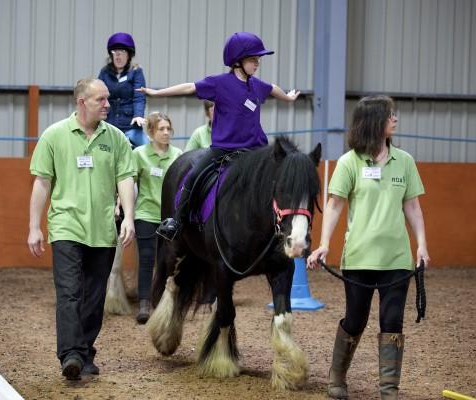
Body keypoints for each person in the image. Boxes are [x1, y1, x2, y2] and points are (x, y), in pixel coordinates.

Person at [306, 95, 430, 400]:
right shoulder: (349, 162)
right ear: (375, 122)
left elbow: (413, 207)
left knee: (392, 321)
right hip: (359, 258)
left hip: (397, 260)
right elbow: (334, 206)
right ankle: (337, 377)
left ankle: (389, 390)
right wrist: (323, 245)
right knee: (355, 319)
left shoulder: (405, 161)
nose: (395, 119)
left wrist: (422, 246)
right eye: (390, 115)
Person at [137, 31, 300, 240]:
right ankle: (177, 221)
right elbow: (189, 87)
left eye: (258, 59)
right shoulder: (219, 83)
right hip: (223, 148)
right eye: (253, 59)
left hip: (255, 149)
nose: (257, 63)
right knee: (194, 175)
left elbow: (273, 88)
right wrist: (157, 93)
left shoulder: (257, 85)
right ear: (238, 61)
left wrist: (287, 98)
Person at [27, 78, 136, 380]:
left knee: (94, 297)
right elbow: (42, 183)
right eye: (101, 99)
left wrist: (128, 216)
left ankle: (85, 351)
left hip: (103, 230)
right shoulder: (54, 135)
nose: (108, 104)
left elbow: (126, 178)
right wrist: (34, 227)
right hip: (65, 227)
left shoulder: (115, 138)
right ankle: (71, 354)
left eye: (108, 99)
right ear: (82, 102)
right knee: (70, 293)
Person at [131, 112, 182, 323]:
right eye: (161, 129)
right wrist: (122, 208)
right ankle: (144, 303)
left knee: (167, 261)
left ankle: (162, 302)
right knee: (146, 259)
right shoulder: (139, 154)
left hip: (170, 218)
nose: (166, 133)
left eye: (168, 129)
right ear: (150, 132)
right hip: (145, 214)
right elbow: (130, 183)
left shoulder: (178, 154)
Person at [98, 32, 148, 147]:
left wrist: (138, 115)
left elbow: (139, 96)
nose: (118, 56)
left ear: (129, 55)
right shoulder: (104, 72)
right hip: (109, 123)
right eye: (115, 52)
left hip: (130, 125)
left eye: (122, 52)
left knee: (146, 149)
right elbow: (98, 94)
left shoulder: (136, 72)